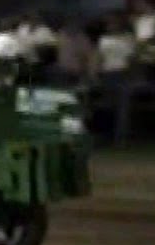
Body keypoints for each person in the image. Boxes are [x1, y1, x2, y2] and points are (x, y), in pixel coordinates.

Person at [96, 13, 139, 146]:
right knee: (108, 106)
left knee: (123, 108)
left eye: (113, 23)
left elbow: (132, 58)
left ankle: (121, 138)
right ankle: (107, 136)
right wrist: (97, 73)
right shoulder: (103, 39)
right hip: (107, 73)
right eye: (109, 23)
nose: (111, 26)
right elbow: (100, 57)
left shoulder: (127, 39)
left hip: (122, 73)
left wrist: (131, 75)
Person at [54, 18, 97, 89]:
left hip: (77, 72)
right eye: (69, 23)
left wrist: (90, 74)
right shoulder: (61, 34)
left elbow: (90, 56)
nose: (71, 25)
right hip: (62, 71)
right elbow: (57, 50)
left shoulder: (83, 38)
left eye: (74, 23)